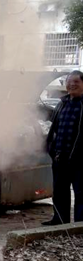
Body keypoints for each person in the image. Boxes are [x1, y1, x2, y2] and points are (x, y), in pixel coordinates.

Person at [44, 71, 83, 225]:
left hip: (79, 159)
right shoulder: (62, 104)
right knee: (59, 191)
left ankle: (80, 224)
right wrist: (51, 149)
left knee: (81, 193)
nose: (72, 84)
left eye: (76, 82)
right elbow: (54, 128)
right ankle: (59, 220)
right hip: (60, 156)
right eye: (69, 82)